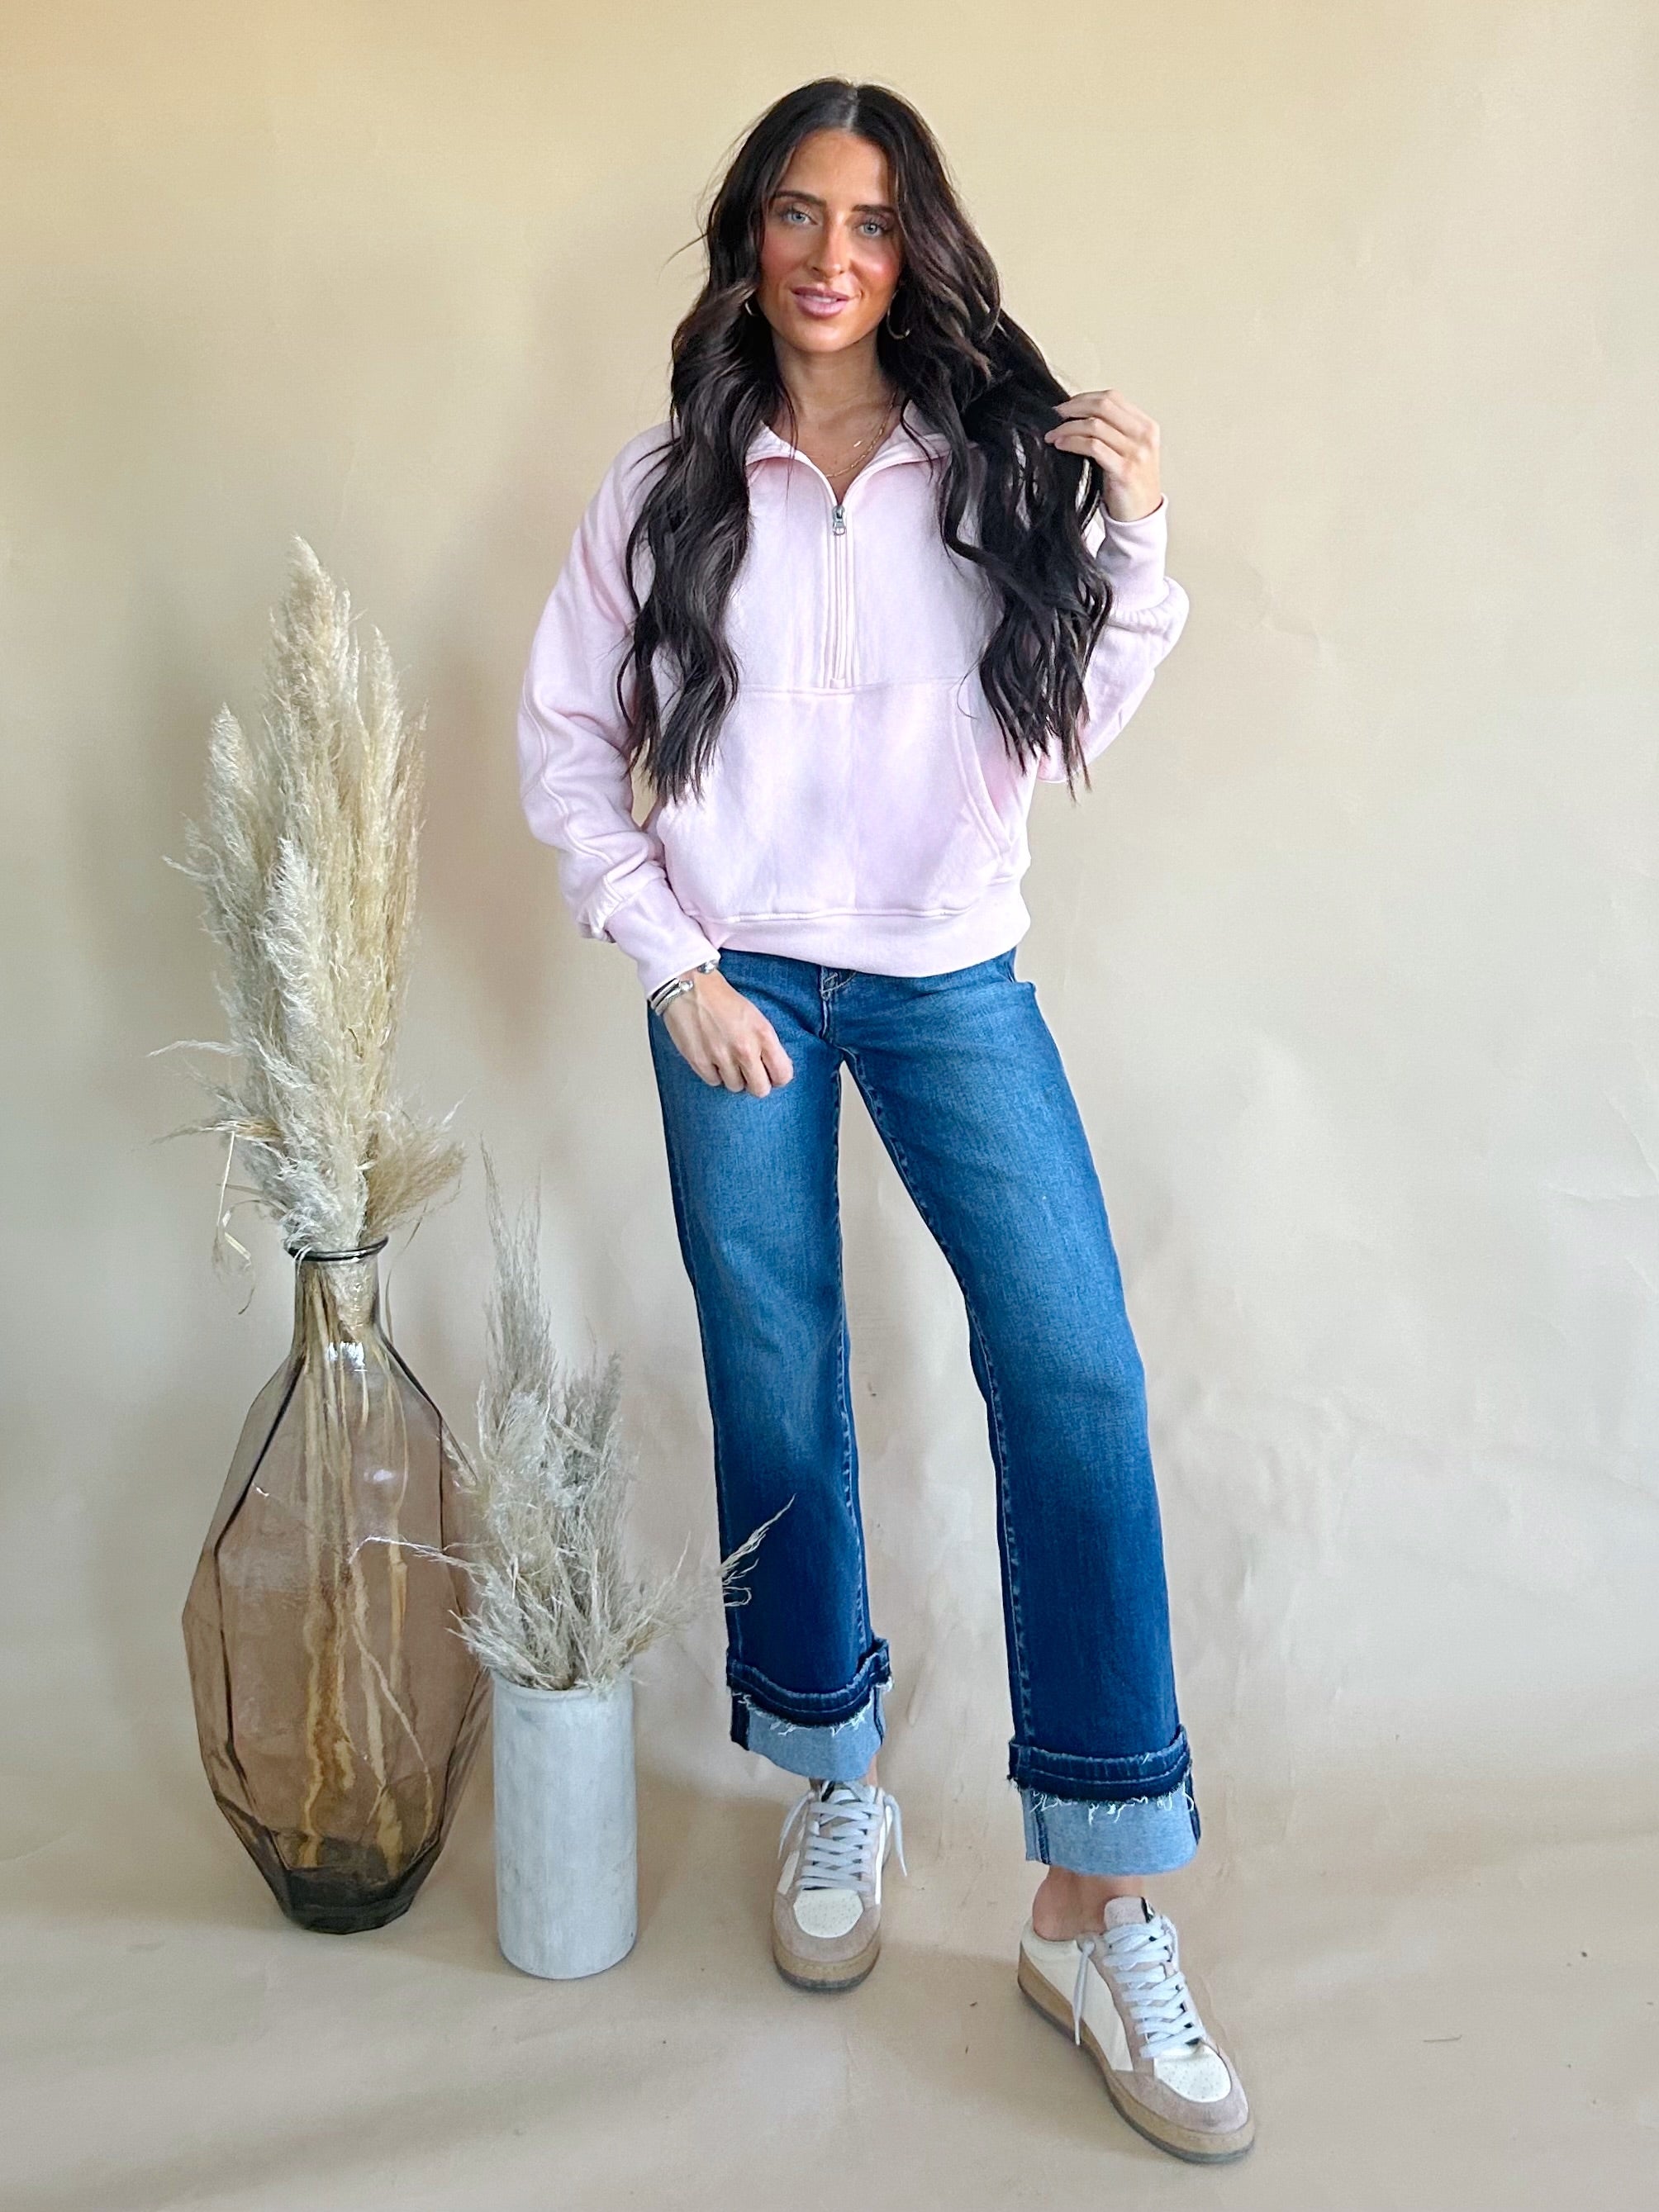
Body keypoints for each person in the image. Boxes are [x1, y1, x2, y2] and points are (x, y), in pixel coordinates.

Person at [516, 77, 1253, 2164]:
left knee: (1072, 1368)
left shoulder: (991, 465)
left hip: (946, 972)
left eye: (865, 220)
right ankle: (832, 1770)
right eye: (792, 214)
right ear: (747, 238)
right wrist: (669, 955)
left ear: (913, 244)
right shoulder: (664, 483)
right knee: (776, 1371)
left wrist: (1133, 532)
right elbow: (564, 739)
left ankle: (1091, 1897)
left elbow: (1066, 717)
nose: (827, 255)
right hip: (731, 977)